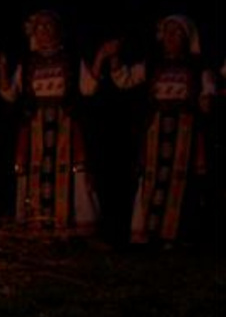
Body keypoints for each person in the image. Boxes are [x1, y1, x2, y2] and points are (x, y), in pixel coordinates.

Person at [92, 14, 214, 245]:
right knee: (149, 178)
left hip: (184, 134)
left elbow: (208, 91)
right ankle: (146, 233)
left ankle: (175, 236)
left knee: (181, 182)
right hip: (155, 132)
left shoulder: (198, 67)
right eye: (167, 31)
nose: (171, 37)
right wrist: (114, 57)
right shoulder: (151, 65)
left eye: (177, 32)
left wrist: (206, 99)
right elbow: (123, 80)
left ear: (187, 37)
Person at [0, 10, 100, 236]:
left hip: (65, 125)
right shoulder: (28, 63)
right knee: (34, 172)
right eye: (39, 27)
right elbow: (9, 95)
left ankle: (73, 228)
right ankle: (37, 225)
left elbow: (88, 88)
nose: (43, 31)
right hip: (35, 127)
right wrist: (2, 69)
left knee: (73, 170)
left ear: (58, 30)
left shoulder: (71, 59)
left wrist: (101, 57)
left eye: (48, 26)